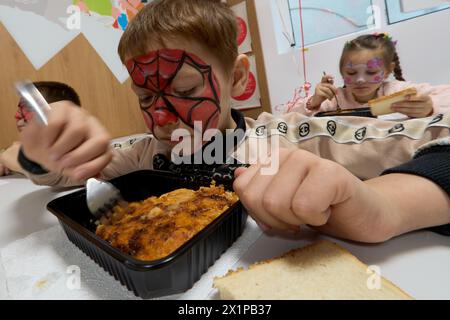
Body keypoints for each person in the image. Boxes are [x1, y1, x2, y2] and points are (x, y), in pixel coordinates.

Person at [16, 0, 450, 243]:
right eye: (147, 97)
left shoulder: (291, 137)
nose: (164, 117)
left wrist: (385, 208)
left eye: (185, 91)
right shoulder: (143, 155)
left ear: (238, 78)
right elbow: (55, 174)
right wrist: (39, 150)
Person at [290, 33, 450, 118]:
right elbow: (287, 120)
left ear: (388, 70)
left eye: (371, 72)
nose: (360, 80)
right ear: (341, 72)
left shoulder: (398, 91)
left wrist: (431, 107)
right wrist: (314, 103)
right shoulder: (334, 100)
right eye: (351, 73)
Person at [0, 81, 81, 176]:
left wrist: (22, 164)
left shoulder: (78, 152)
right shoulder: (19, 150)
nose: (17, 115)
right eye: (19, 109)